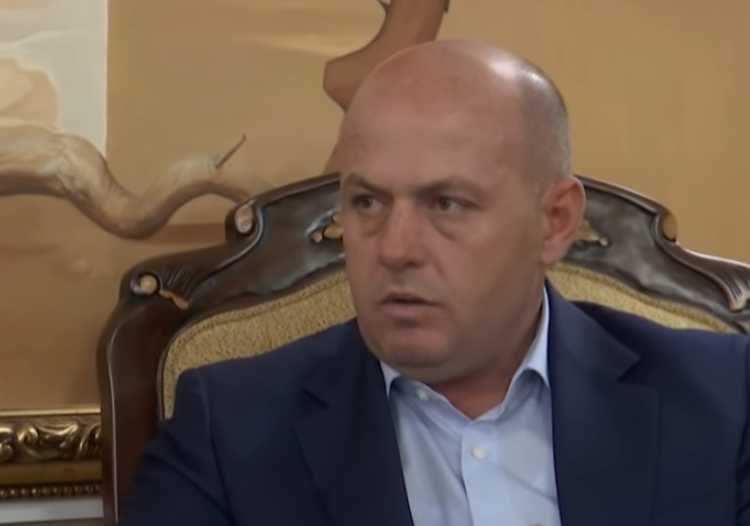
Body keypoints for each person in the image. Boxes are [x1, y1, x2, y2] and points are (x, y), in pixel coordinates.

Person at [116, 39, 750, 526]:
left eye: (446, 204)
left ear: (555, 222)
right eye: (367, 203)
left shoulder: (723, 401)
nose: (395, 249)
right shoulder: (227, 431)